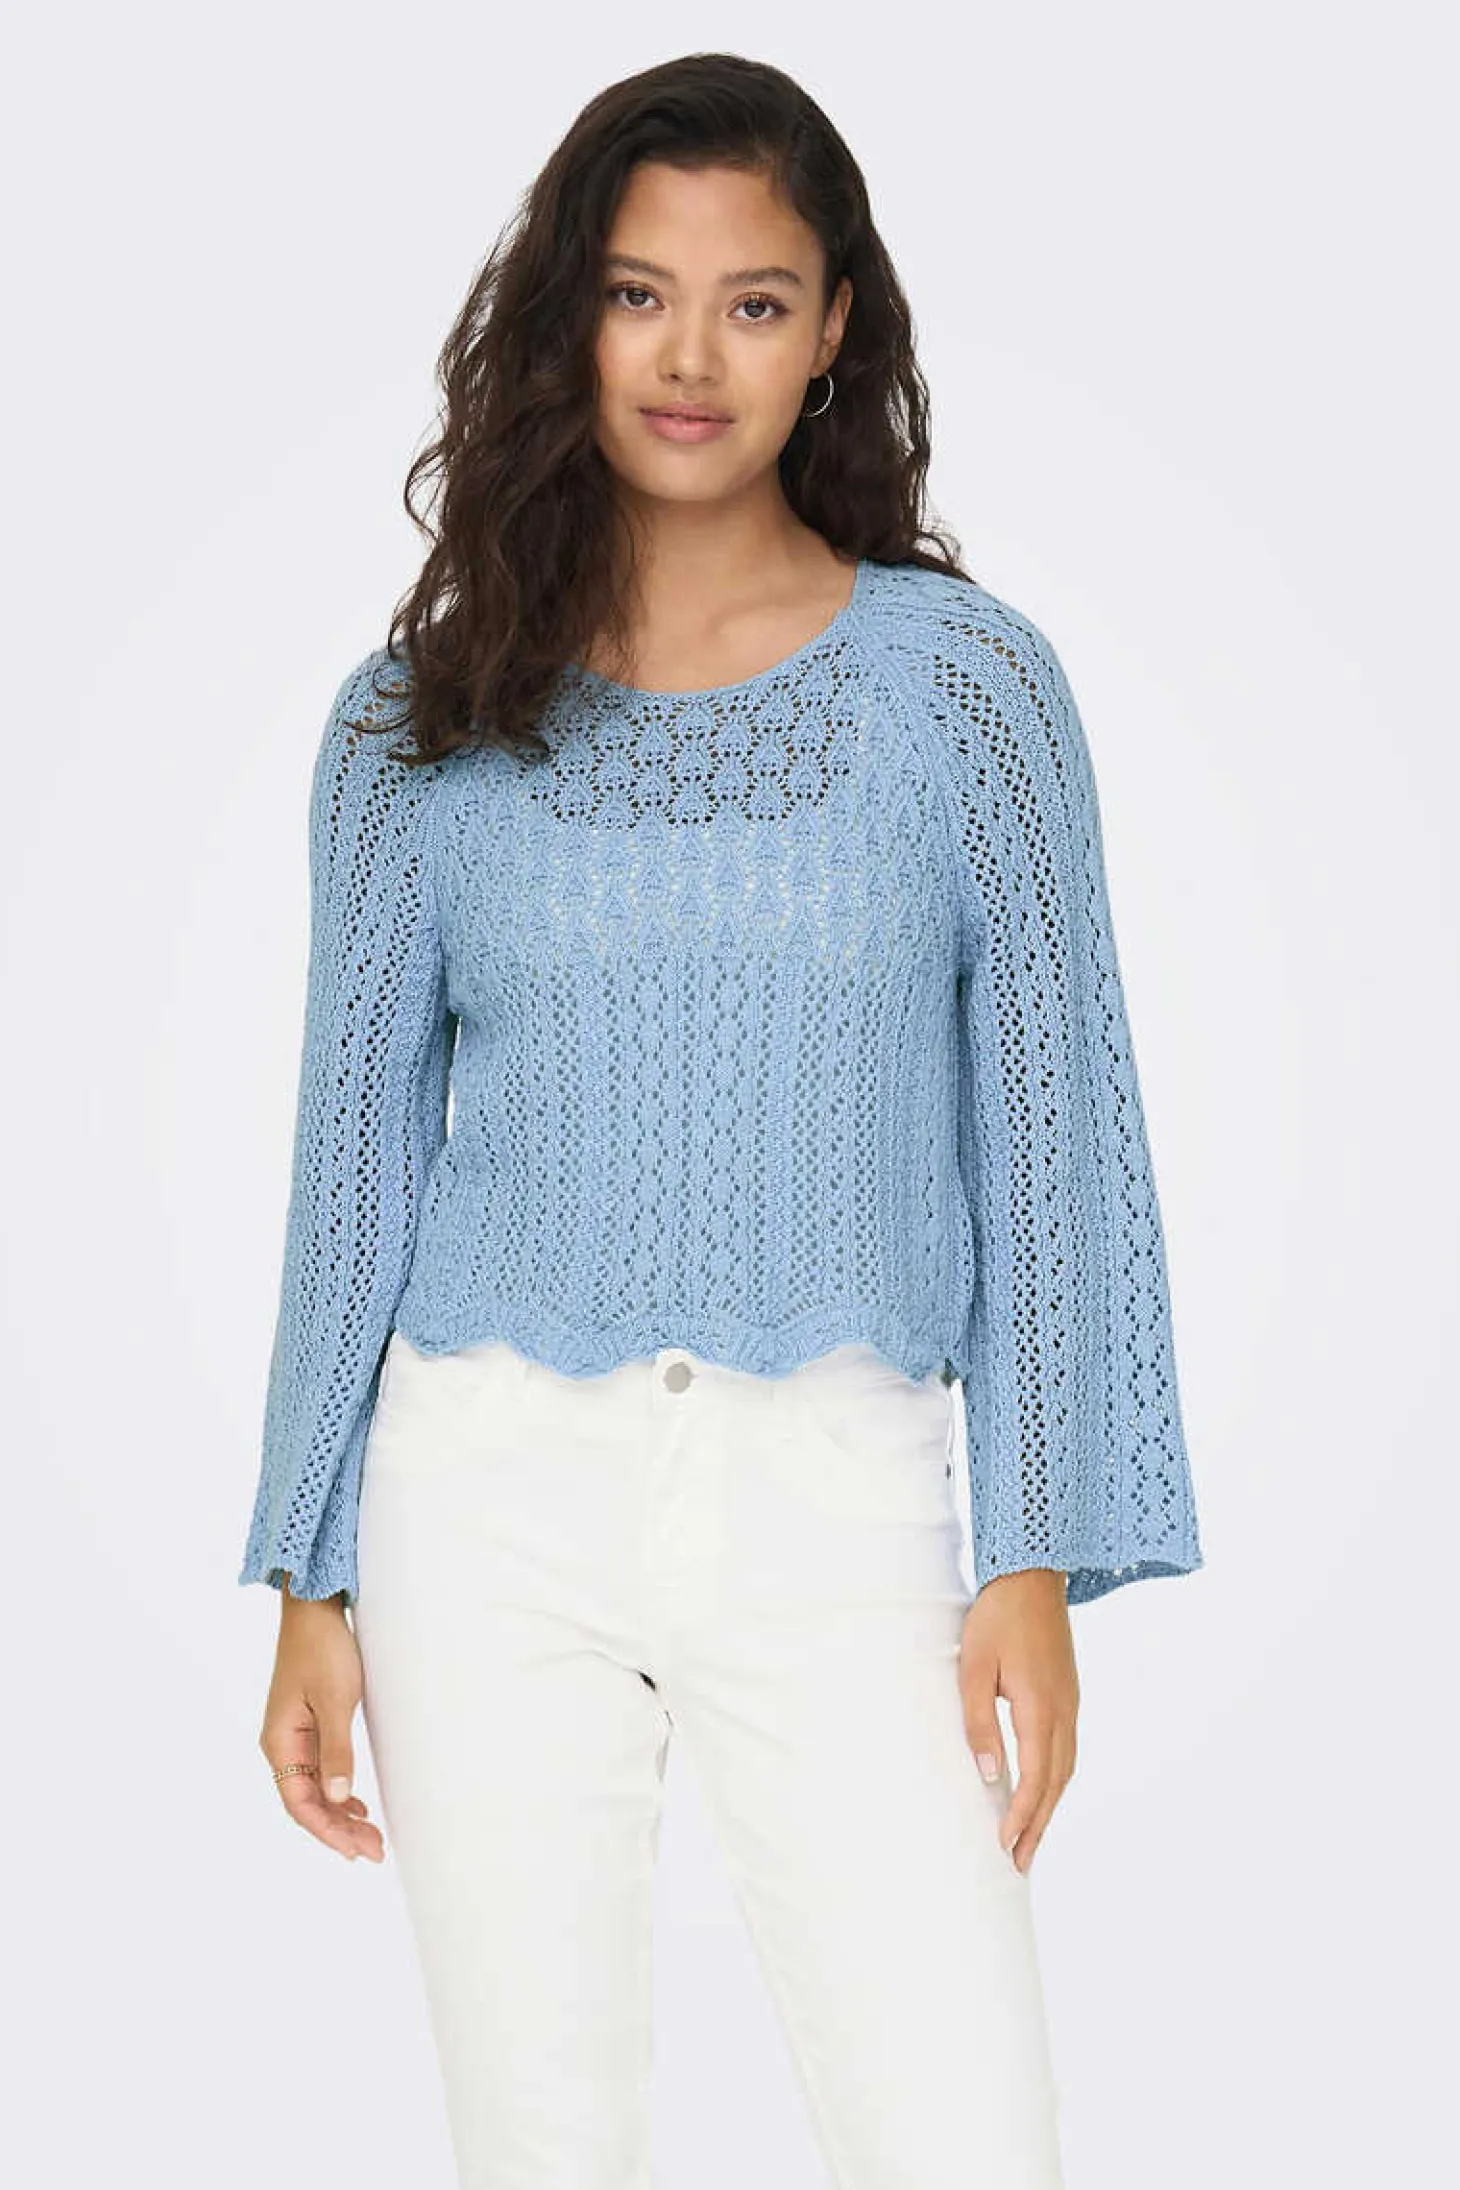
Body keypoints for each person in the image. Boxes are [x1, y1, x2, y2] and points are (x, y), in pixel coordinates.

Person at [241, 50, 1204, 2190]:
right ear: (565, 317)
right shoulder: (417, 721)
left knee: (964, 2133)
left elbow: (1049, 1132)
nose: (690, 359)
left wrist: (1031, 1549)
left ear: (834, 325)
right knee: (540, 2142)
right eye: (637, 294)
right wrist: (310, 1568)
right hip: (484, 1493)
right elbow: (350, 1167)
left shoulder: (967, 692)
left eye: (753, 303)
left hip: (838, 1493)